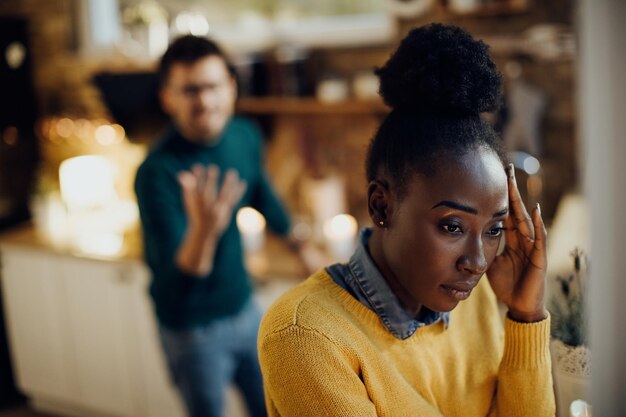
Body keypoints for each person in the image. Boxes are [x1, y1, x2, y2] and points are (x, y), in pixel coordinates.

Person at [258, 23, 556, 417]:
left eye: (494, 229)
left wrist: (526, 315)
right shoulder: (306, 335)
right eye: (452, 225)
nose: (477, 262)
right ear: (382, 206)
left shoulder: (475, 298)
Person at [135, 35, 317, 417]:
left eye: (213, 86)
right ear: (167, 97)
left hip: (243, 307)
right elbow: (182, 273)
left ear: (231, 88)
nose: (204, 101)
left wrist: (301, 246)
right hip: (190, 328)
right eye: (190, 90)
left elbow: (262, 195)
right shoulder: (156, 171)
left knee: (274, 406)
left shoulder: (243, 135)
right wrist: (204, 229)